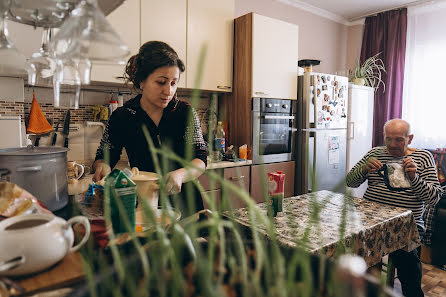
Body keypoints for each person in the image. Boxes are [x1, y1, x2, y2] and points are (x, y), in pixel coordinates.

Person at [92, 41, 208, 215]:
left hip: (186, 204)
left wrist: (179, 175)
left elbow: (200, 160)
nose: (168, 91)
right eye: (161, 82)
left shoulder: (185, 113)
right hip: (143, 202)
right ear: (141, 82)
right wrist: (102, 167)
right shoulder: (123, 116)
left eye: (173, 83)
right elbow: (104, 156)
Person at [346, 119, 441, 297]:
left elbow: (434, 198)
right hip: (370, 221)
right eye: (388, 139)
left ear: (409, 138)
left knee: (409, 270)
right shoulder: (375, 153)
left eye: (398, 140)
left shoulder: (422, 158)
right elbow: (350, 181)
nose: (392, 145)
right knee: (352, 257)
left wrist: (414, 178)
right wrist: (364, 169)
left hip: (406, 225)